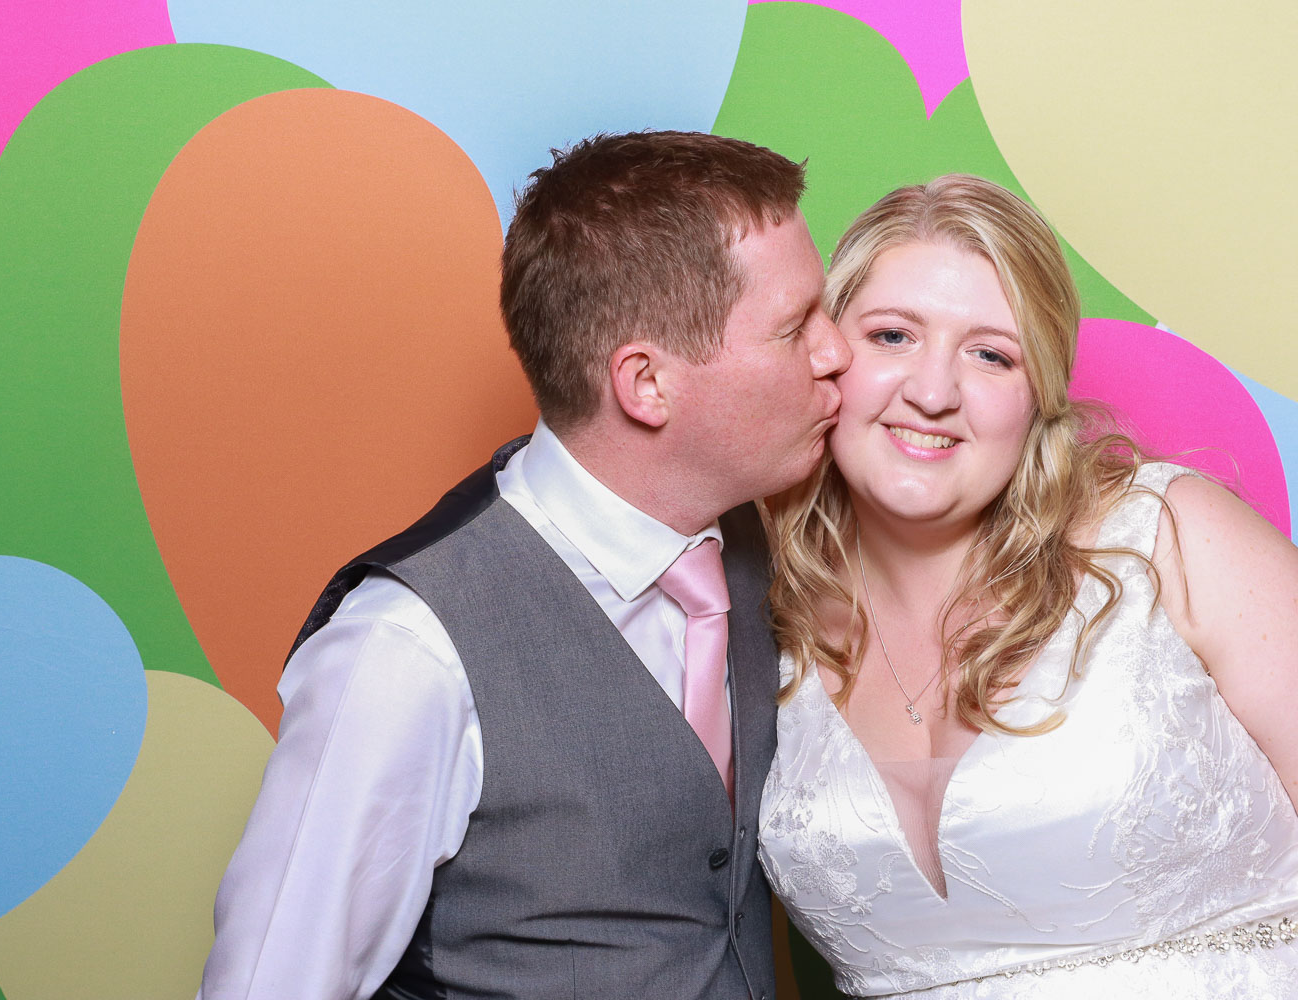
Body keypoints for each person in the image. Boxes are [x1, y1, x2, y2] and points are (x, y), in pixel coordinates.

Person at [757, 173, 1298, 998]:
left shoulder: (1174, 542)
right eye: (892, 336)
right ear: (825, 354)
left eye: (991, 354)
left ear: (1038, 395)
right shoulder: (746, 616)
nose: (933, 392)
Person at [199, 130, 851, 1000]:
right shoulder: (407, 652)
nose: (837, 352)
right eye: (795, 327)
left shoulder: (757, 545)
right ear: (646, 384)